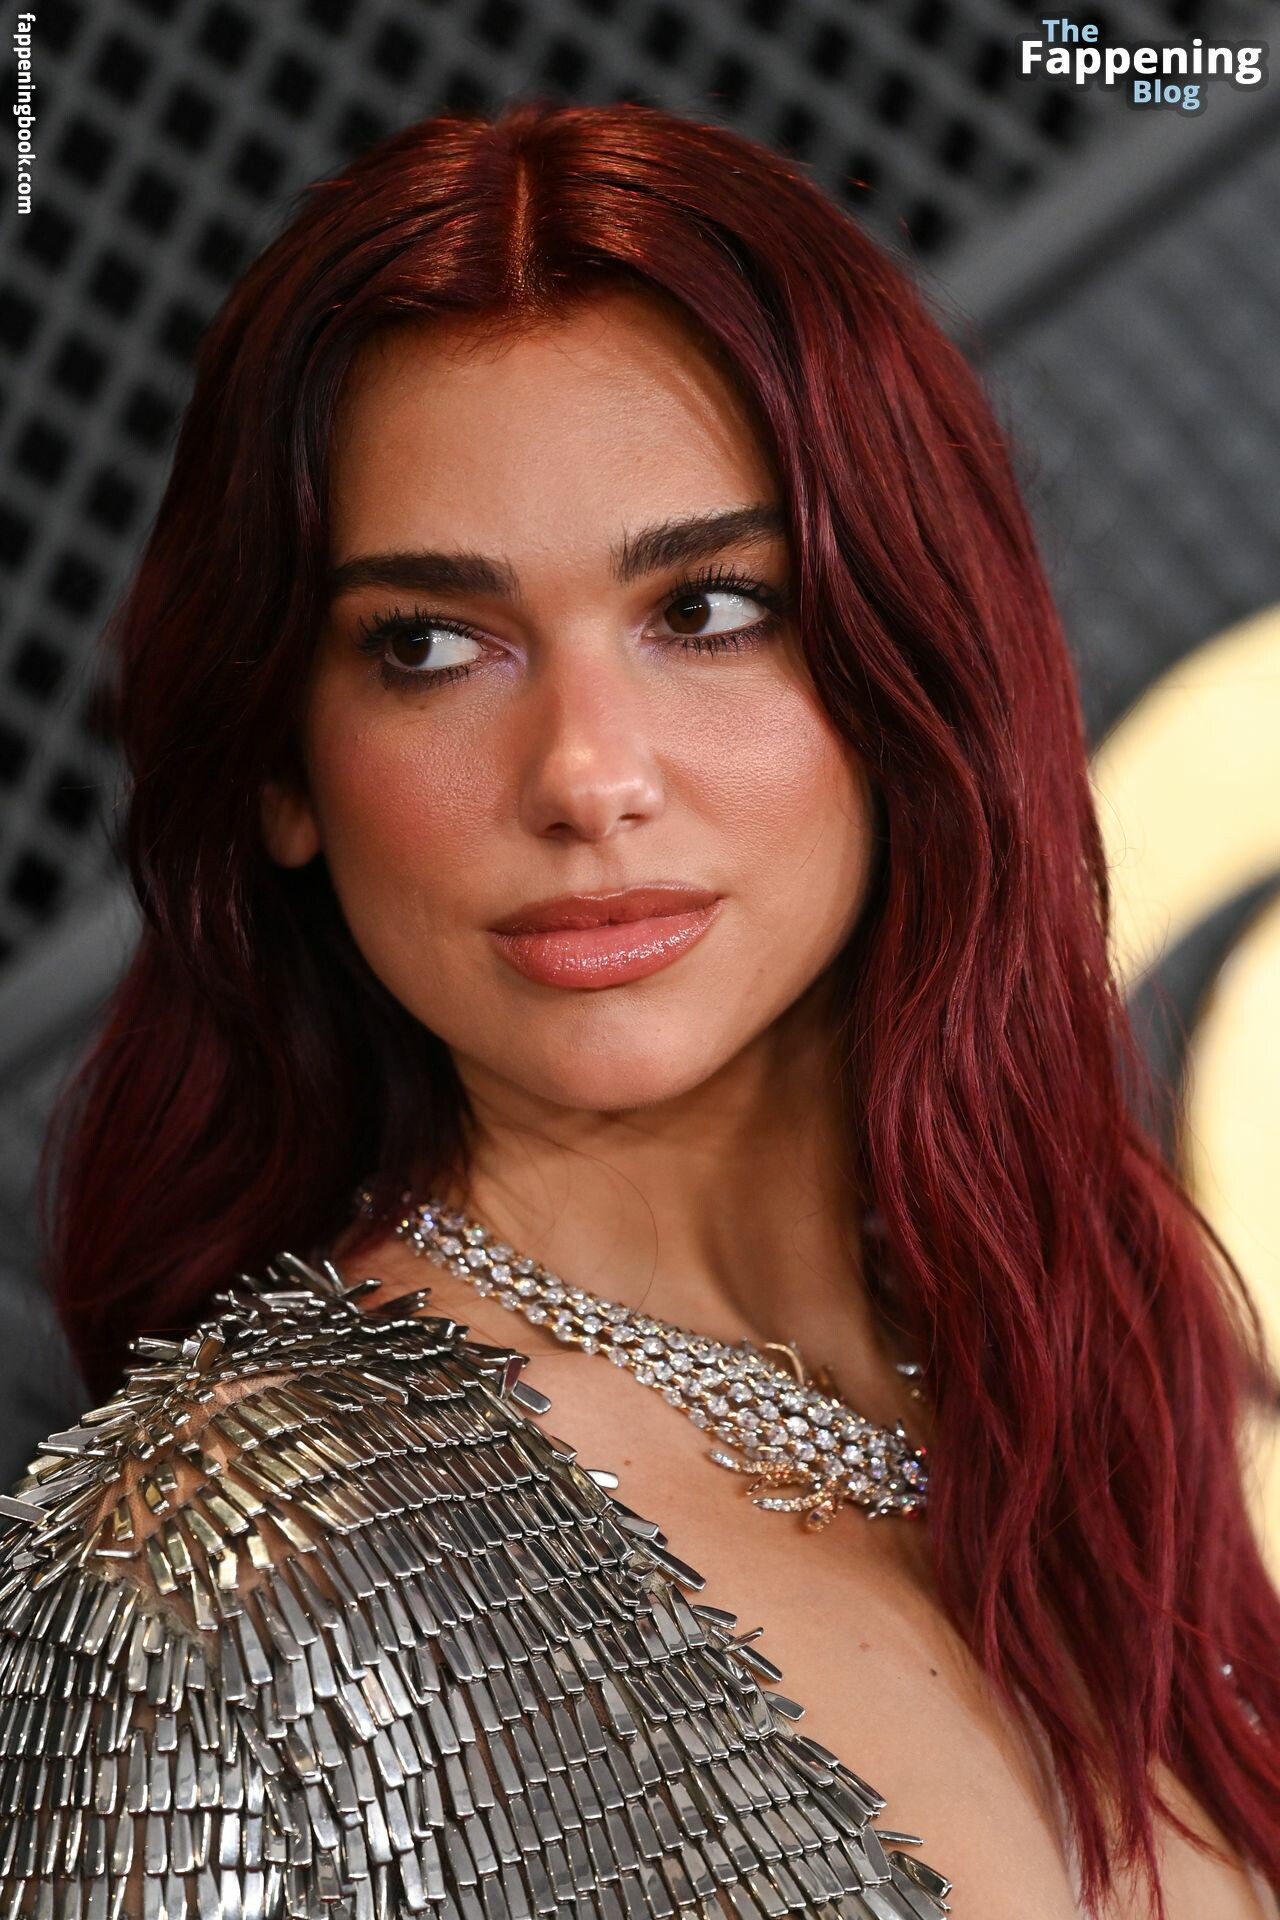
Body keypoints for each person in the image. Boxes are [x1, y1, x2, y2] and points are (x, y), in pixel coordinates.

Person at [0, 97, 1276, 1920]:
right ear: (284, 765)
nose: (589, 775)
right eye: (430, 645)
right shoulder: (218, 1591)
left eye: (709, 608)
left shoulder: (1082, 1374)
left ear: (913, 664)